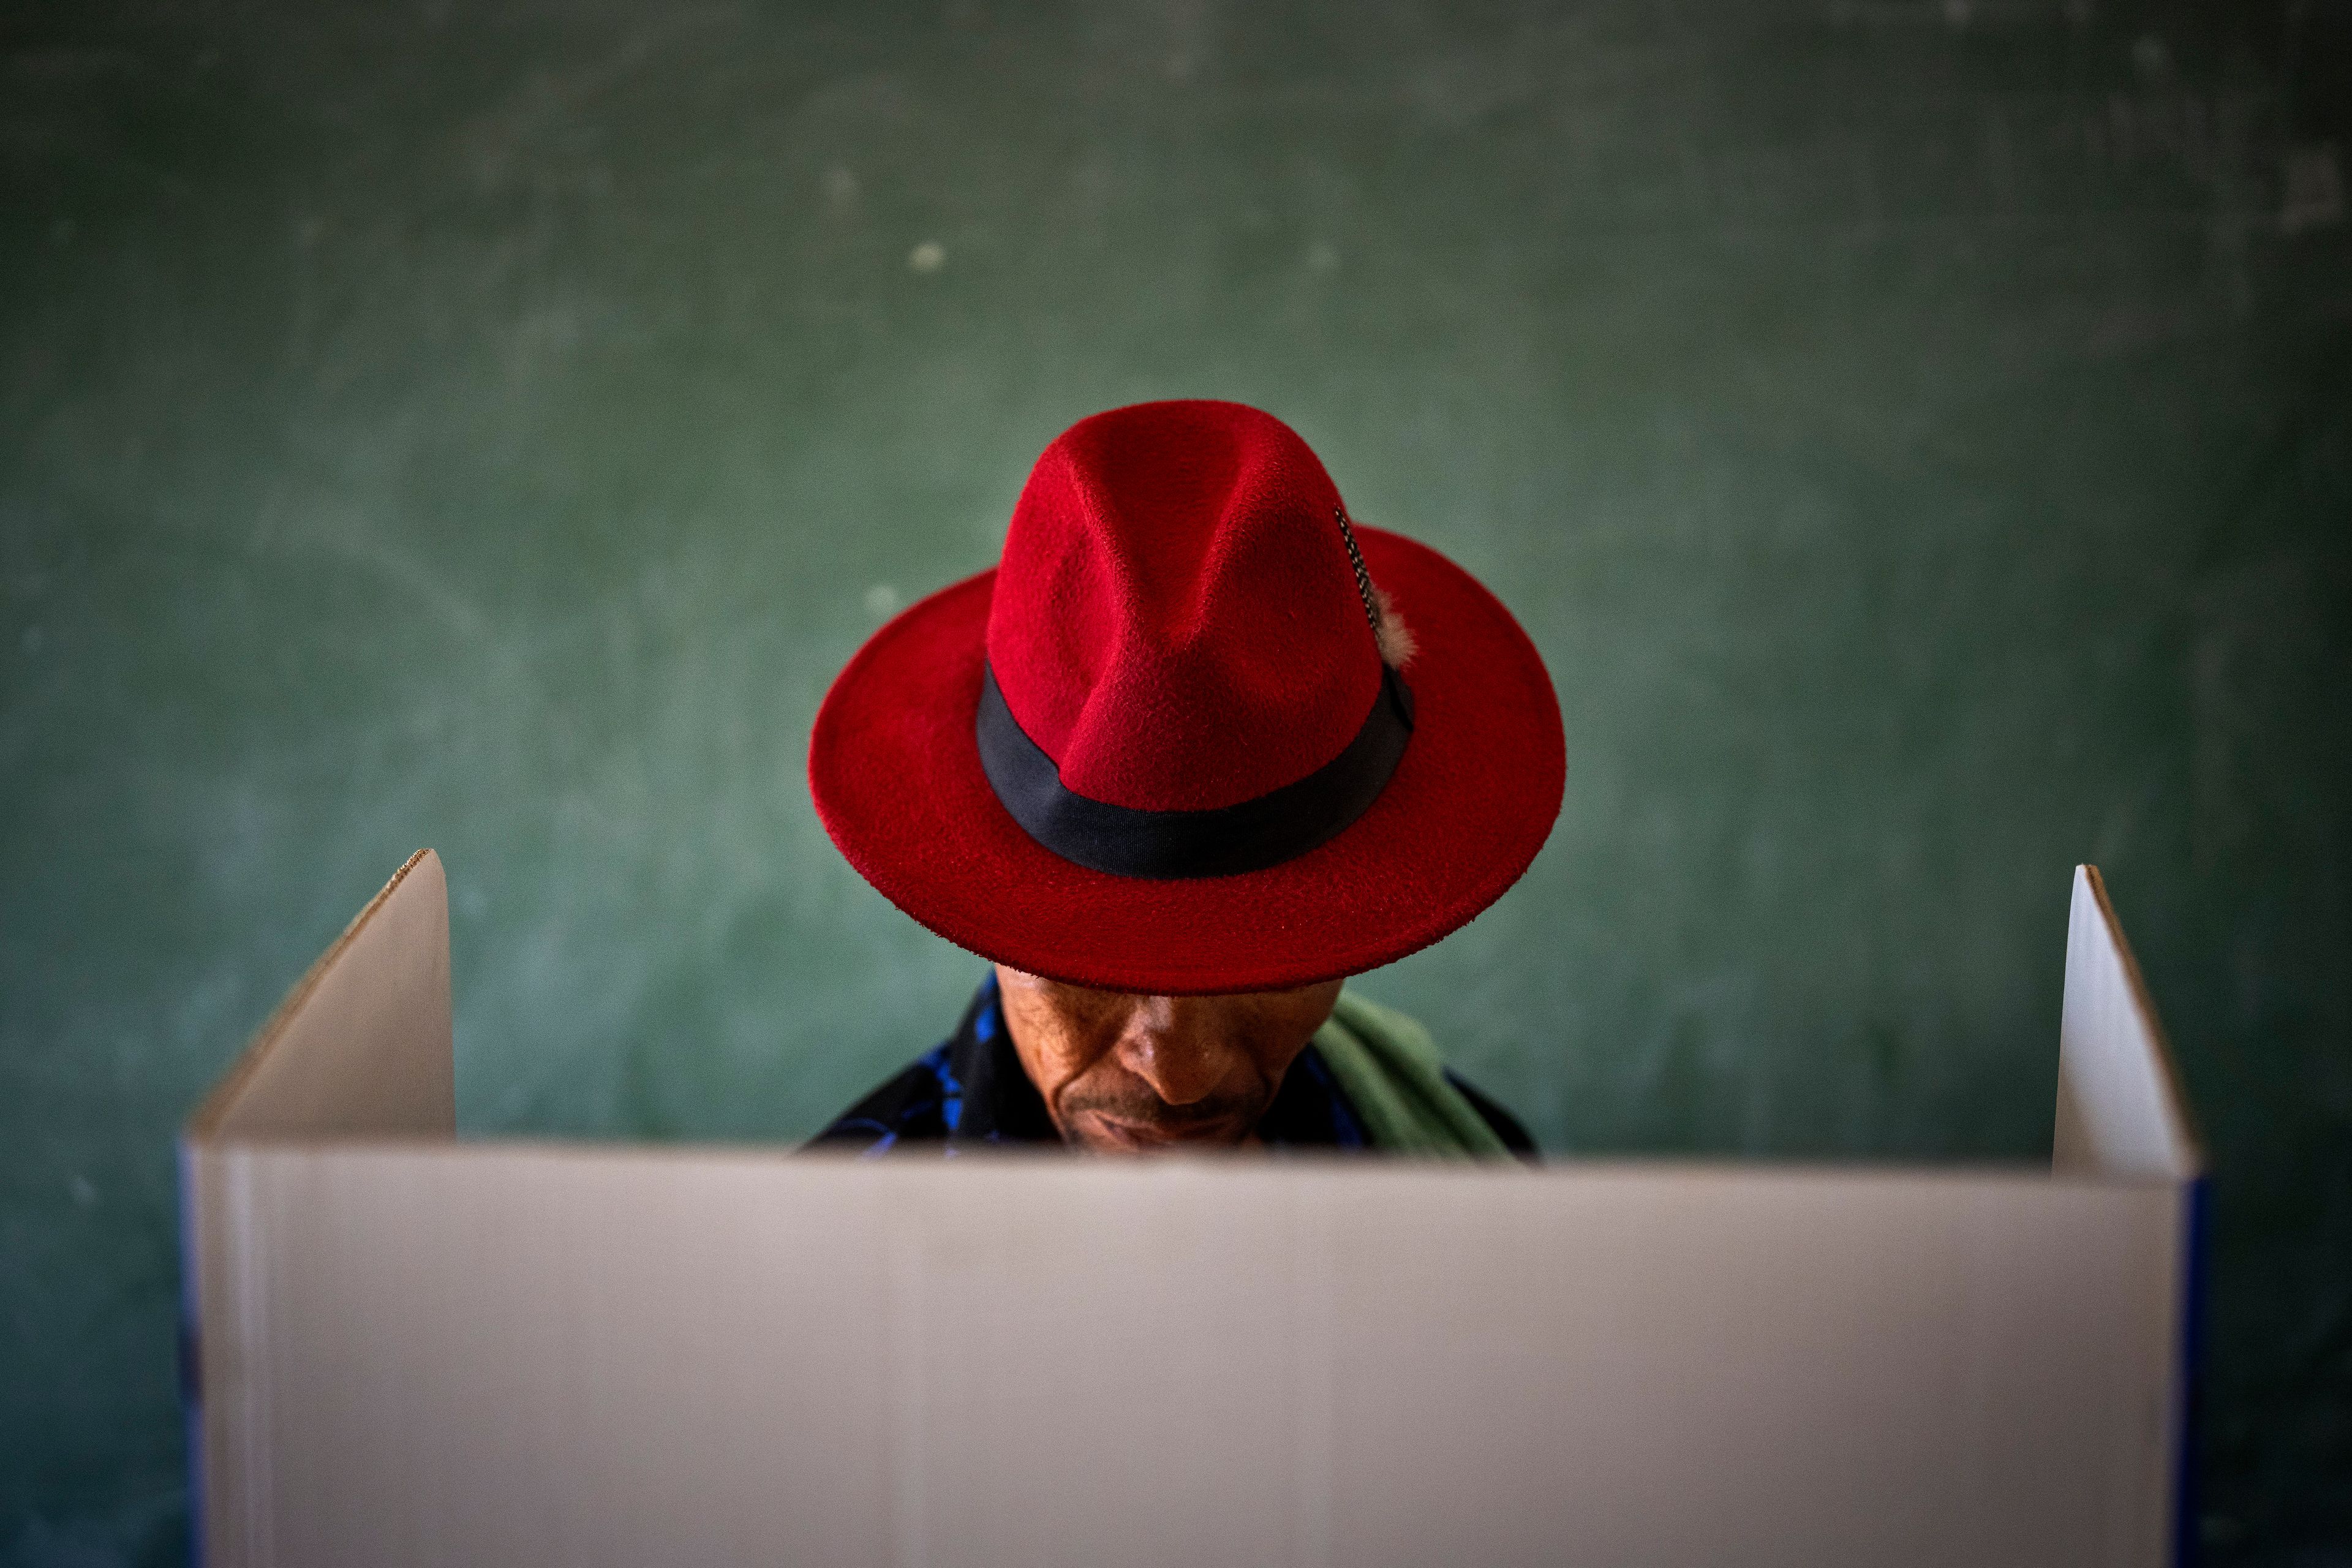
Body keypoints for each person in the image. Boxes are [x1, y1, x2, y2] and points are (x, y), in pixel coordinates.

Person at [805, 400, 1564, 1156]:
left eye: (1267, 952)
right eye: (1089, 962)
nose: (1179, 1076)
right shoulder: (827, 1258)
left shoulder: (1483, 1181)